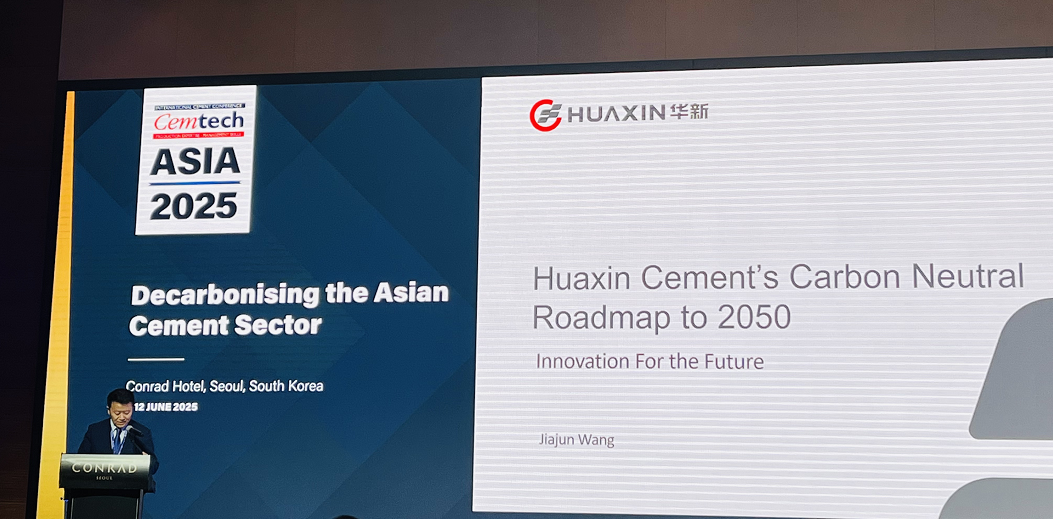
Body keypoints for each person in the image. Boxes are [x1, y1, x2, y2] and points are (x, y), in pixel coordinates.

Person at [78, 388, 159, 490]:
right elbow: (80, 462)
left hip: (129, 489)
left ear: (133, 409)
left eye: (126, 412)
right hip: (97, 488)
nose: (122, 417)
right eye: (117, 413)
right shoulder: (95, 431)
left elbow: (154, 466)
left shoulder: (141, 432)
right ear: (108, 410)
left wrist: (146, 461)